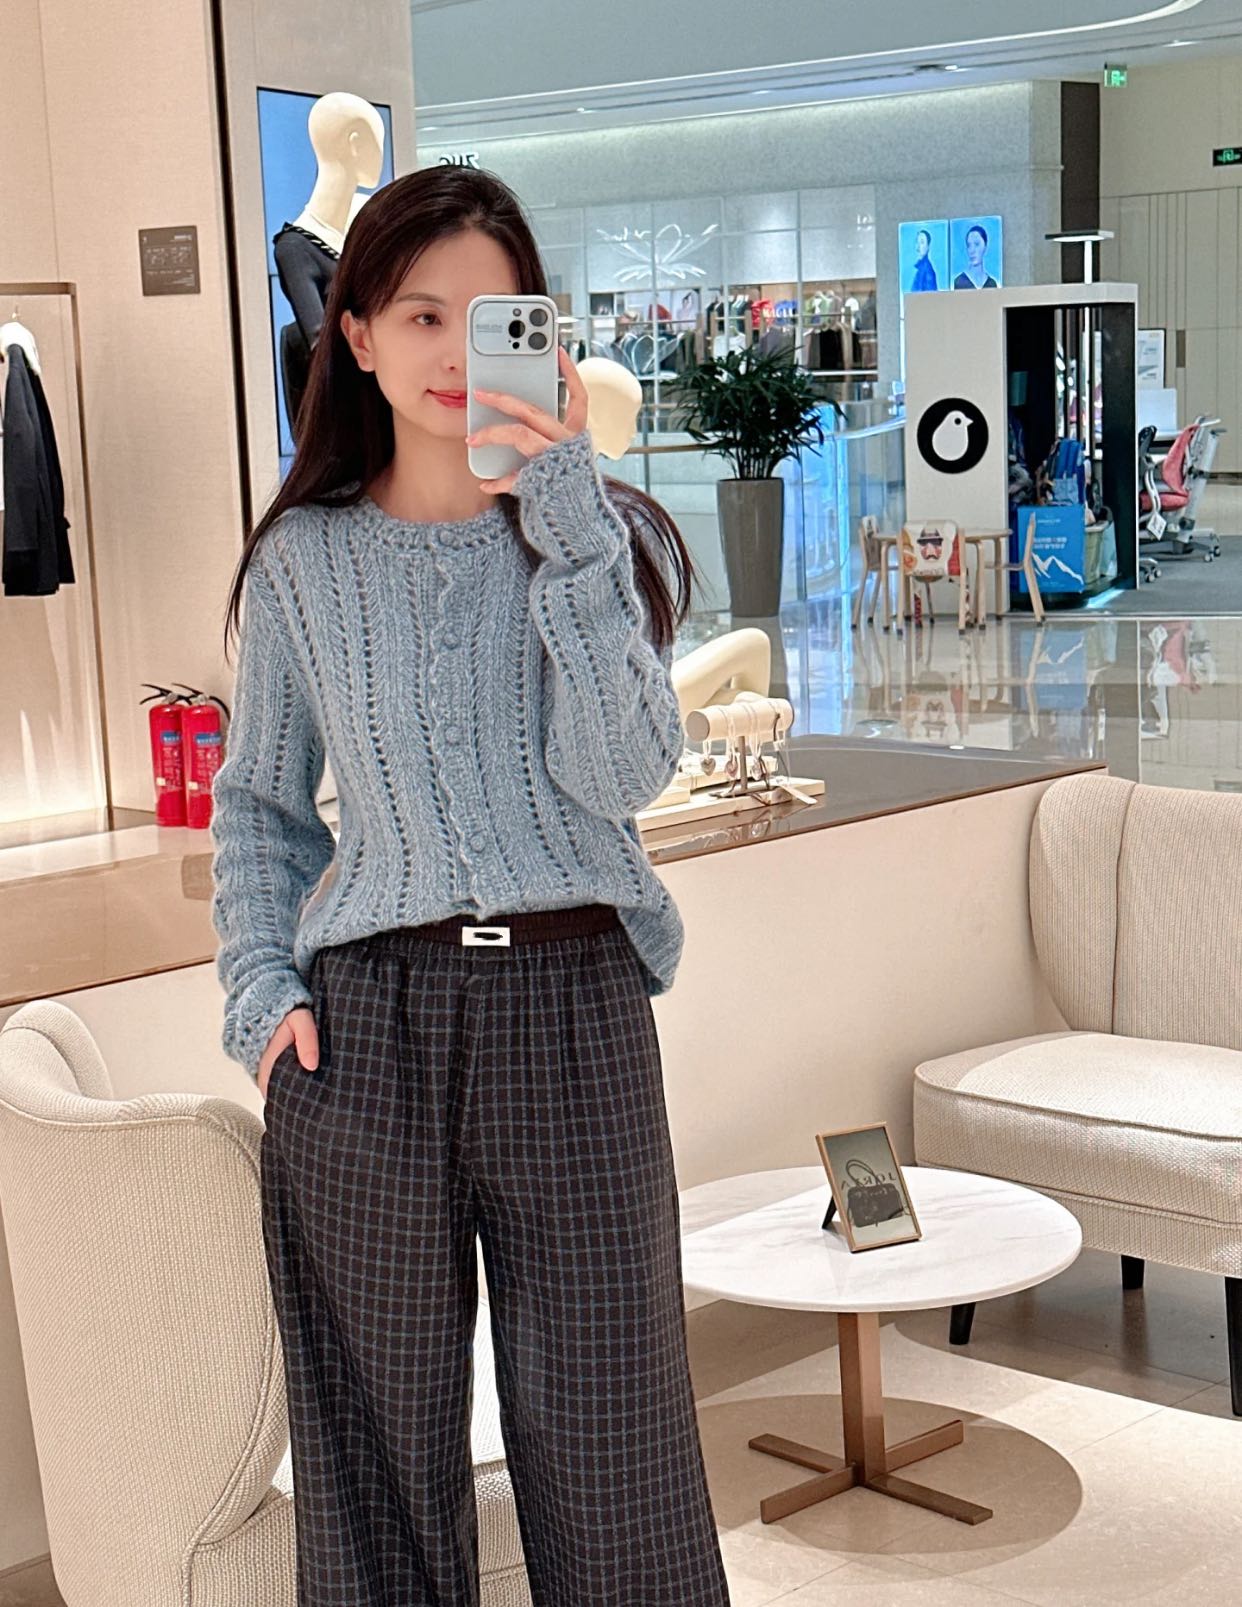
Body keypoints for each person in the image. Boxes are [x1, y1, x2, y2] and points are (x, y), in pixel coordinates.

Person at [210, 164, 732, 1607]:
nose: (454, 351)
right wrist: (261, 990)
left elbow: (625, 768)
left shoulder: (598, 534)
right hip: (366, 1032)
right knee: (375, 1454)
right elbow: (260, 805)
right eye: (420, 314)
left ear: (540, 335)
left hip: (572, 1010)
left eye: (492, 316)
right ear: (357, 335)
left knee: (616, 1441)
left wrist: (563, 512)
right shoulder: (304, 561)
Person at [953, 223, 999, 289]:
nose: (972, 250)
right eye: (969, 245)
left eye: (977, 244)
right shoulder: (959, 282)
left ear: (985, 246)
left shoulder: (991, 283)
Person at [911, 227, 938, 292]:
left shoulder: (928, 270)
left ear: (928, 247)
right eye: (917, 242)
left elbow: (929, 296)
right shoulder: (920, 268)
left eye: (922, 242)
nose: (918, 246)